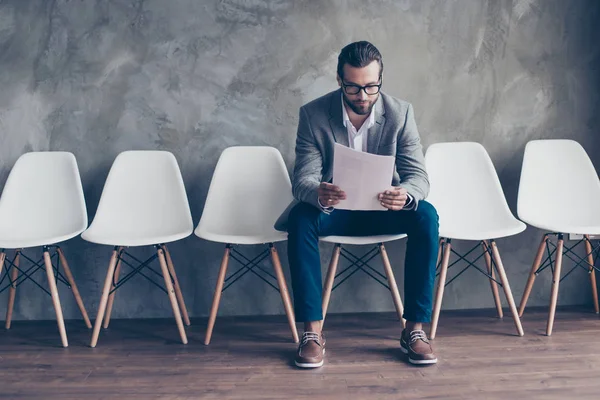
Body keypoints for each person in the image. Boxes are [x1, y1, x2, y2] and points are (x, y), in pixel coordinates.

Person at [280, 41, 439, 367]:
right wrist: (319, 192)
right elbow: (303, 180)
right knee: (300, 218)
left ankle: (415, 330)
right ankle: (311, 332)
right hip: (334, 211)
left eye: (371, 87)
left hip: (383, 210)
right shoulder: (313, 114)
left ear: (380, 80)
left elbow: (418, 176)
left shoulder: (401, 113)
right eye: (353, 87)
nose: (363, 96)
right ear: (340, 80)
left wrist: (405, 195)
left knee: (426, 215)